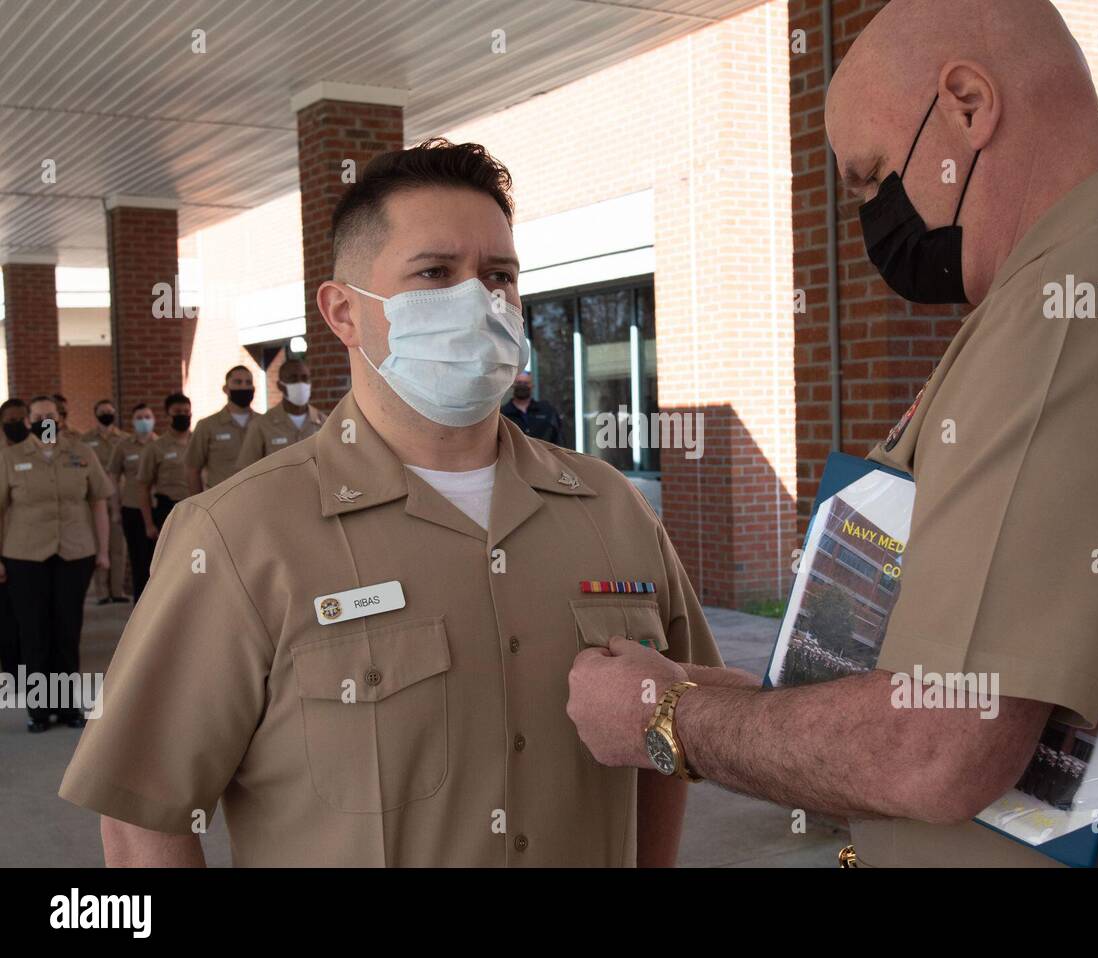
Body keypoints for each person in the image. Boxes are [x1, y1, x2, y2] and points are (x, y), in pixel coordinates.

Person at [567, 0, 1098, 868]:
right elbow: (923, 681)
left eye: (873, 177)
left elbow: (940, 746)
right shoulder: (1089, 288)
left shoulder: (1084, 311)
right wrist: (696, 688)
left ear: (966, 105)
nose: (873, 218)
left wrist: (665, 722)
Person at [60, 137, 722, 867]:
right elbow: (142, 820)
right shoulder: (238, 536)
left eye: (499, 276)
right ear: (344, 312)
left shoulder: (612, 509)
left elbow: (675, 729)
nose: (479, 300)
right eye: (435, 273)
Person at [0, 396, 112, 732]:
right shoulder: (10, 457)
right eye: (38, 416)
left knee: (66, 631)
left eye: (50, 416)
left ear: (60, 419)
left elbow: (98, 504)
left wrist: (103, 551)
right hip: (25, 555)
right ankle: (39, 709)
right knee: (33, 632)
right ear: (28, 420)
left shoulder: (81, 453)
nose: (44, 421)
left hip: (74, 553)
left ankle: (66, 707)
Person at [234, 357, 324, 469]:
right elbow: (245, 472)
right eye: (293, 378)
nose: (300, 383)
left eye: (305, 378)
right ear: (280, 385)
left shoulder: (324, 423)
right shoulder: (261, 425)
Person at [108, 403, 157, 602]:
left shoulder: (159, 444)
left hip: (157, 507)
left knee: (157, 560)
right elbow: (113, 475)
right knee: (138, 560)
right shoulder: (124, 445)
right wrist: (115, 508)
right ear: (133, 421)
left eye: (147, 416)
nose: (144, 421)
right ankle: (140, 604)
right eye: (139, 417)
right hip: (132, 507)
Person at [82, 399, 129, 604]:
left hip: (119, 497)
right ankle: (102, 592)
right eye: (103, 411)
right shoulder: (85, 441)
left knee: (118, 546)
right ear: (96, 414)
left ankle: (117, 591)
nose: (107, 414)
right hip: (95, 498)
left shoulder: (124, 439)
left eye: (110, 411)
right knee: (100, 544)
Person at [184, 366, 259, 493]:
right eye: (238, 382)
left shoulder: (264, 423)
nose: (243, 387)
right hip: (222, 501)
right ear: (226, 389)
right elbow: (192, 468)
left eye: (248, 382)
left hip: (259, 497)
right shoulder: (207, 425)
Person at [139, 394, 191, 542]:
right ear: (168, 414)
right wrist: (149, 524)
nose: (183, 415)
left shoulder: (198, 441)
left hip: (197, 507)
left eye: (186, 412)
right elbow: (143, 487)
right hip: (169, 509)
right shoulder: (155, 448)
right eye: (177, 412)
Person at [0, 397, 28, 679]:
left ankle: (23, 669)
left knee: (20, 615)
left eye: (21, 419)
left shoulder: (31, 456)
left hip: (21, 547)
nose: (16, 425)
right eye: (10, 421)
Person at [500, 371, 564, 446]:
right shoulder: (502, 414)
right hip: (513, 456)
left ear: (532, 385)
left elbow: (559, 438)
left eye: (526, 383)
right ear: (512, 385)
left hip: (543, 456)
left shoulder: (547, 411)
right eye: (519, 383)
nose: (522, 386)